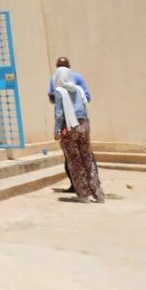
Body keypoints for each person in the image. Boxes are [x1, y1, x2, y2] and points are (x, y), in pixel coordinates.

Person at [52, 65, 105, 203]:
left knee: (75, 161)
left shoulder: (59, 91)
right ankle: (98, 194)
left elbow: (59, 114)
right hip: (84, 126)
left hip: (70, 128)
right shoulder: (79, 89)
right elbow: (85, 107)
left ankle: (83, 194)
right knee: (88, 159)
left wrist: (57, 131)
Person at [47, 56, 92, 193]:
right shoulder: (55, 79)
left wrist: (67, 100)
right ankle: (85, 186)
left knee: (72, 155)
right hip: (81, 122)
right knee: (81, 154)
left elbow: (58, 109)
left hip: (68, 124)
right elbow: (86, 98)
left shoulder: (73, 78)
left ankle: (81, 187)